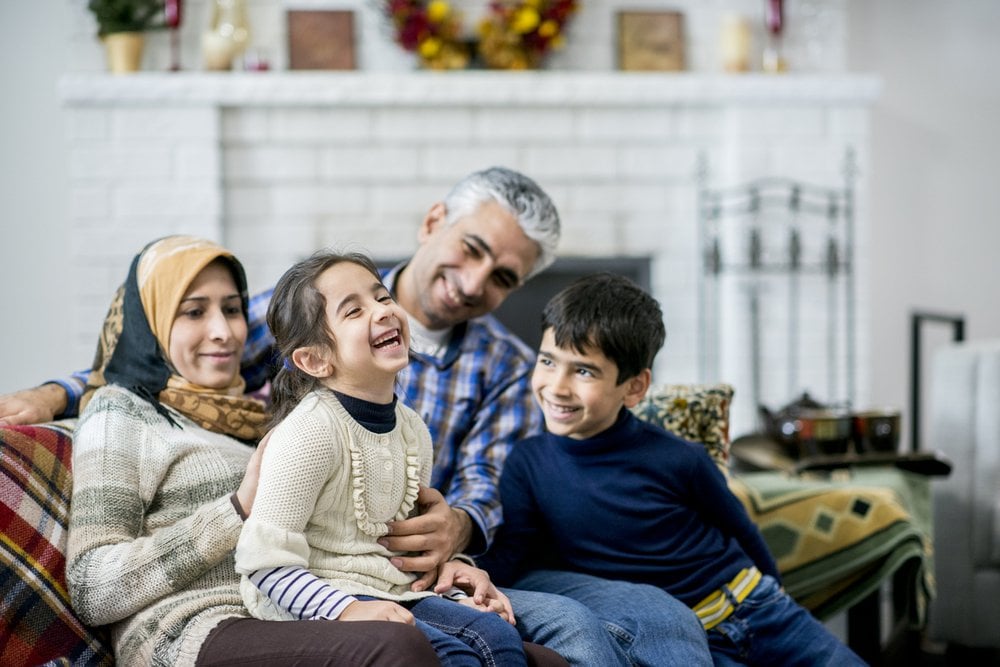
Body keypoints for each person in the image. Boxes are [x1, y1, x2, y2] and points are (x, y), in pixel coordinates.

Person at [6, 167, 710, 665]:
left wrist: (457, 534)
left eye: (503, 278)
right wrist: (53, 394)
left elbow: (483, 484)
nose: (473, 283)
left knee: (652, 619)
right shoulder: (298, 342)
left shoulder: (491, 370)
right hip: (293, 592)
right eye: (471, 250)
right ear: (434, 222)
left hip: (406, 569)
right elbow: (154, 353)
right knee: (563, 633)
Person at [66, 235, 440, 666]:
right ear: (151, 322)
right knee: (396, 646)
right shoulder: (122, 412)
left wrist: (448, 562)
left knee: (514, 649)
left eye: (232, 309)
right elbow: (93, 588)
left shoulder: (264, 413)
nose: (223, 332)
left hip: (295, 609)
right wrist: (236, 510)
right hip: (192, 628)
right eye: (193, 312)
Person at [479, 272, 867, 666]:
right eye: (548, 361)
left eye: (584, 371)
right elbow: (516, 554)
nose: (557, 386)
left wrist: (775, 593)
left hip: (759, 609)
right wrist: (462, 572)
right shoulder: (527, 464)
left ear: (634, 388)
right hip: (689, 639)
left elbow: (742, 530)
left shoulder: (678, 457)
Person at [234, 250, 556, 666]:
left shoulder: (413, 430)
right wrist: (346, 610)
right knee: (451, 655)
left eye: (382, 297)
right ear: (315, 359)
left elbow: (403, 555)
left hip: (390, 590)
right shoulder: (309, 433)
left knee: (496, 635)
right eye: (354, 311)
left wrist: (457, 591)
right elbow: (263, 565)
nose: (383, 312)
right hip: (314, 596)